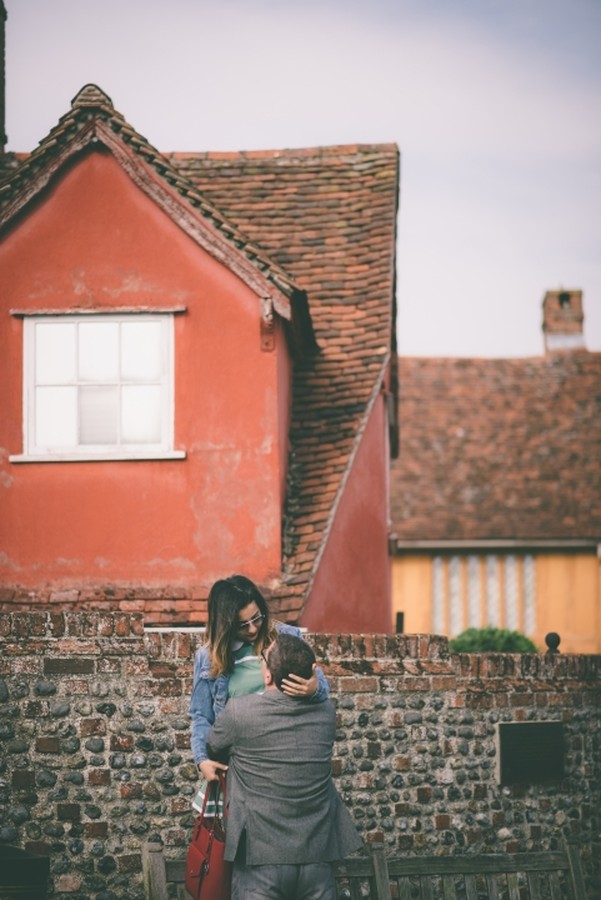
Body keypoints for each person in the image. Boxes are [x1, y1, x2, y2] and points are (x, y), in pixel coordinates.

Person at [207, 632, 363, 900]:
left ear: (267, 675)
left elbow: (213, 747)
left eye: (263, 658)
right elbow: (319, 699)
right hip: (317, 857)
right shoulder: (327, 713)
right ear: (312, 671)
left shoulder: (239, 712)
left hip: (259, 858)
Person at [189, 575, 329, 791]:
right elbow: (202, 717)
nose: (253, 629)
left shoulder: (286, 636)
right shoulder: (207, 658)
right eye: (242, 625)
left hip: (287, 758)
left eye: (257, 618)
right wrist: (202, 759)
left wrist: (315, 687)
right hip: (240, 765)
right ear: (225, 625)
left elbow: (320, 686)